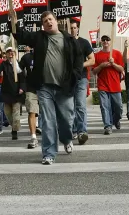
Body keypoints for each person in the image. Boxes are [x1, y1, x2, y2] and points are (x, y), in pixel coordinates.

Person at [11, 10, 82, 165]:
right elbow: (22, 36)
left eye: (50, 19)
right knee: (48, 121)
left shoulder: (70, 39)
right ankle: (49, 153)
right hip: (44, 87)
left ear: (56, 21)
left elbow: (78, 61)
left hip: (64, 88)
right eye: (45, 21)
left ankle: (66, 139)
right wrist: (15, 24)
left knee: (66, 119)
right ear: (43, 26)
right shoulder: (39, 37)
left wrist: (74, 76)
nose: (48, 23)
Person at [92, 35, 125, 135]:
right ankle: (107, 126)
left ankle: (115, 120)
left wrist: (114, 64)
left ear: (110, 41)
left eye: (107, 39)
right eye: (103, 40)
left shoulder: (117, 53)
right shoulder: (97, 55)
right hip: (103, 85)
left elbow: (122, 69)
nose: (105, 41)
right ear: (101, 42)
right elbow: (94, 71)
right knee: (104, 106)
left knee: (119, 107)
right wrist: (101, 66)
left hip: (115, 85)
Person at [70, 20, 95, 145]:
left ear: (78, 29)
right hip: (68, 79)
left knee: (80, 104)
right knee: (70, 106)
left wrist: (80, 66)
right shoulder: (65, 42)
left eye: (74, 28)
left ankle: (82, 132)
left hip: (81, 78)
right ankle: (73, 130)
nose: (72, 30)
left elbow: (92, 60)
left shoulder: (84, 43)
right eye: (71, 28)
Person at [0, 47, 26, 141]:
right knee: (8, 114)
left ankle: (14, 131)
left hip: (17, 93)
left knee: (16, 114)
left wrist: (22, 88)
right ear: (6, 54)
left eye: (12, 52)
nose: (10, 54)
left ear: (15, 53)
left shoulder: (18, 64)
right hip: (6, 92)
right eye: (8, 52)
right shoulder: (4, 64)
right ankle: (14, 126)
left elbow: (23, 78)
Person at [19, 46, 40, 148]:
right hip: (31, 89)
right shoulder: (27, 57)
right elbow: (18, 71)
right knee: (32, 111)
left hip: (46, 89)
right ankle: (33, 137)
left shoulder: (49, 55)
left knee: (49, 113)